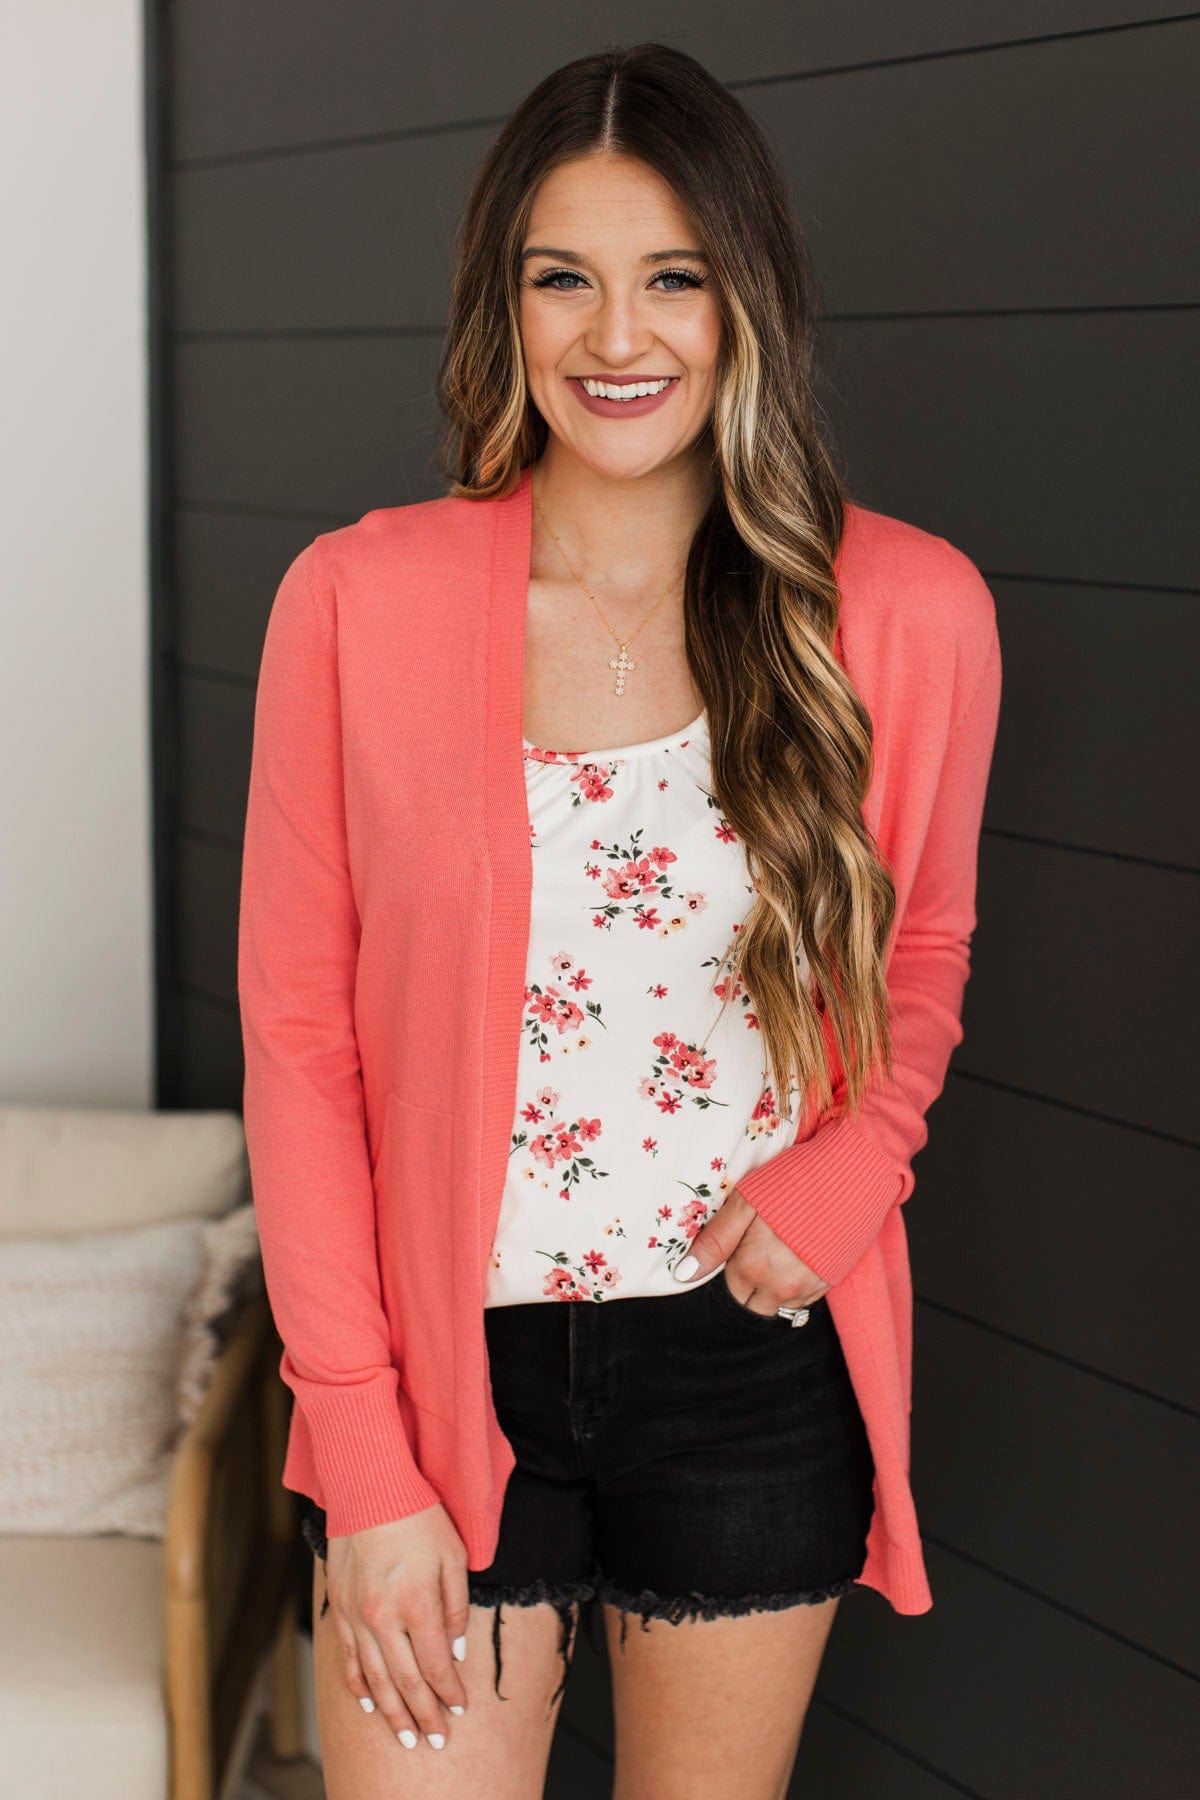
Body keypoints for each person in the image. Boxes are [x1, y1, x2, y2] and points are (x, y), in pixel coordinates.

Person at [237, 39, 1001, 1799]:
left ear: (746, 299)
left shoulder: (900, 610)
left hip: (749, 1365)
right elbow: (299, 1043)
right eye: (561, 279)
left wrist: (861, 1160)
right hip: (439, 1377)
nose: (616, 335)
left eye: (673, 276)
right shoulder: (352, 602)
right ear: (501, 305)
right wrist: (360, 1447)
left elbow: (925, 945)